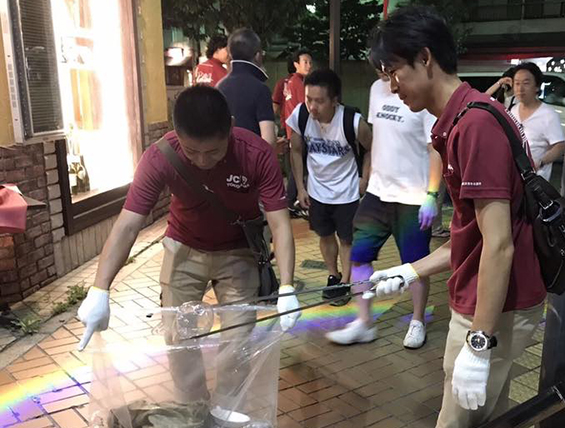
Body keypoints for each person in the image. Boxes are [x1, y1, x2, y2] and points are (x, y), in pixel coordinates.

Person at [368, 6, 547, 428]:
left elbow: (499, 248)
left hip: (494, 307)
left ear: (425, 59)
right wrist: (411, 271)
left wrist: (479, 344)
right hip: (502, 300)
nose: (391, 86)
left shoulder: (474, 127)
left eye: (394, 71)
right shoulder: (468, 116)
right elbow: (474, 238)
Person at [76, 86, 301, 409]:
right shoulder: (160, 157)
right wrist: (100, 290)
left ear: (230, 127)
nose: (203, 161)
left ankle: (226, 410)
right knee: (178, 334)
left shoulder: (256, 154)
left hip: (239, 251)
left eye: (213, 151)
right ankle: (192, 408)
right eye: (192, 151)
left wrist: (288, 286)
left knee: (238, 335)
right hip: (183, 247)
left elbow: (279, 223)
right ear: (176, 132)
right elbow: (127, 225)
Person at [325, 71, 441, 349]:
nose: (383, 74)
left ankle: (417, 320)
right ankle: (364, 322)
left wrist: (432, 195)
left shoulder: (422, 92)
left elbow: (435, 149)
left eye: (388, 67)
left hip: (413, 196)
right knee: (359, 257)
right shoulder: (377, 88)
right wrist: (368, 176)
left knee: (415, 265)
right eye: (378, 67)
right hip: (377, 192)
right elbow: (378, 137)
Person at [286, 68, 372, 305]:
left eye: (320, 101)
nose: (312, 107)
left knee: (346, 239)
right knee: (324, 235)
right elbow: (296, 150)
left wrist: (364, 179)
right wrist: (301, 188)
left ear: (335, 100)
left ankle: (345, 281)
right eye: (309, 99)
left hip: (347, 192)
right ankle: (333, 276)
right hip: (317, 191)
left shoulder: (352, 122)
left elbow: (371, 148)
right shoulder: (301, 115)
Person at [216, 29, 277, 149]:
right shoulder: (261, 89)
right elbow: (268, 141)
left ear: (230, 54)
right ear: (258, 56)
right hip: (252, 157)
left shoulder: (219, 87)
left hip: (223, 157)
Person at [507, 63, 565, 182]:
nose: (520, 89)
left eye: (526, 83)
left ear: (537, 87)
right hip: (512, 177)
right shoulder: (512, 111)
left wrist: (540, 162)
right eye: (517, 83)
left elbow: (560, 146)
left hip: (535, 181)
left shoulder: (548, 114)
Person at [273, 50, 314, 216]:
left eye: (310, 62)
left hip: (291, 129)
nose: (309, 65)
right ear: (296, 64)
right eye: (305, 62)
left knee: (296, 166)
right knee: (300, 166)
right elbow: (307, 106)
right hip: (300, 130)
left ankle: (292, 201)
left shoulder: (290, 81)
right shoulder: (299, 83)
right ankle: (292, 201)